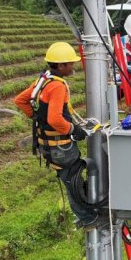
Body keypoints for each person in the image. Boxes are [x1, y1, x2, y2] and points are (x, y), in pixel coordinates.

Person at [14, 42, 99, 227]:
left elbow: (21, 100)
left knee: (72, 178)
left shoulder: (42, 81)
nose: (72, 66)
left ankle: (87, 213)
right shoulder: (57, 87)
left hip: (48, 146)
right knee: (73, 180)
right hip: (61, 147)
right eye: (70, 63)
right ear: (61, 66)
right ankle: (87, 218)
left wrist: (38, 118)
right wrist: (73, 130)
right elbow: (55, 118)